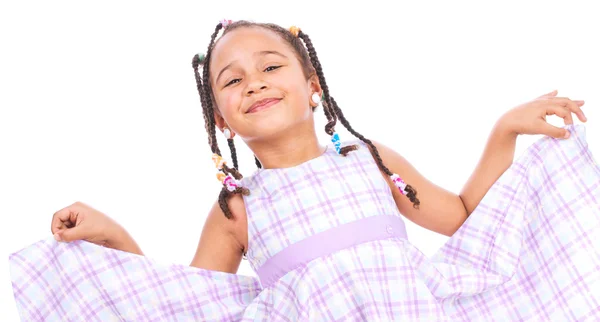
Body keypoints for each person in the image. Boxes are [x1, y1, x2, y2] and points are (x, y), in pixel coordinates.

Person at [10, 20, 600, 321]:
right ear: (221, 119)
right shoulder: (237, 208)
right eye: (233, 79)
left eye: (270, 66)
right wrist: (110, 234)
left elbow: (462, 217)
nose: (255, 82)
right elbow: (186, 303)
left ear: (313, 86)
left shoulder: (373, 163)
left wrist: (504, 131)